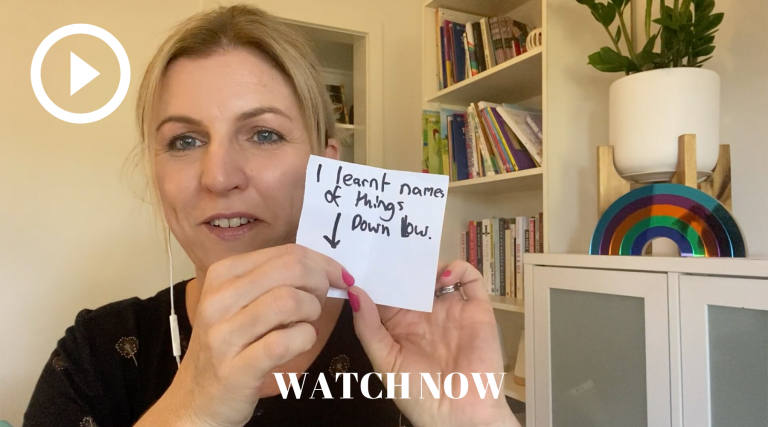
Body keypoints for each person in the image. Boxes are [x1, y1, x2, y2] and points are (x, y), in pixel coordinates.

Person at [23, 5, 520, 427]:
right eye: (185, 140)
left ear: (325, 165)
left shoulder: (409, 346)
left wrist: (475, 417)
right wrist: (189, 409)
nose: (219, 177)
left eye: (264, 134)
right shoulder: (94, 356)